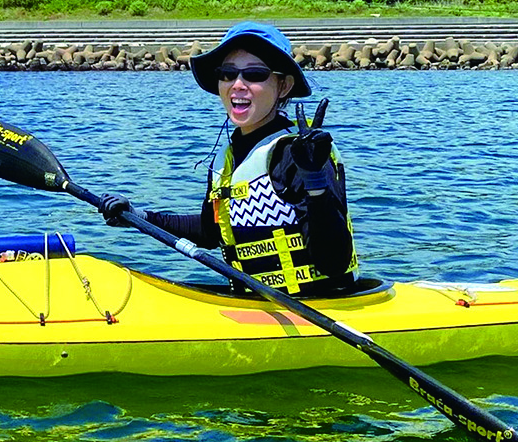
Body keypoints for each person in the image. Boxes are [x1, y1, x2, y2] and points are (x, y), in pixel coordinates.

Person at [100, 21, 357, 297]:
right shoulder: (228, 159)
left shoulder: (301, 154)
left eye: (255, 75)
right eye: (227, 73)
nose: (237, 85)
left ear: (284, 85)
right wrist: (138, 217)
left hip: (319, 306)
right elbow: (210, 232)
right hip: (255, 304)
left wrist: (316, 182)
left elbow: (334, 262)